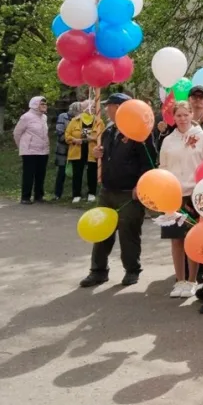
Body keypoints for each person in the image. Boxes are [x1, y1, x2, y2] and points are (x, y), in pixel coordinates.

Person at [80, 94, 158, 287]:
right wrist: (99, 153)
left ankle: (132, 270)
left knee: (128, 233)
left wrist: (140, 186)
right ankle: (98, 271)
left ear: (122, 108)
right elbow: (108, 155)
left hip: (128, 192)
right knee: (101, 232)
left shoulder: (139, 132)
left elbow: (148, 162)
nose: (107, 109)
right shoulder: (108, 131)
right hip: (108, 190)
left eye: (111, 106)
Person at [158, 101, 203, 298]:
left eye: (185, 115)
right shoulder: (168, 140)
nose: (182, 119)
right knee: (176, 239)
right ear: (173, 118)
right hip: (173, 195)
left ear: (192, 115)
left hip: (195, 194)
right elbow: (163, 166)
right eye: (178, 115)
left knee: (193, 239)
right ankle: (179, 280)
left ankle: (192, 280)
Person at [65, 100, 106, 204]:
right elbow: (67, 136)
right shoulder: (75, 120)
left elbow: (104, 136)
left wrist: (92, 138)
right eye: (90, 107)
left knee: (92, 172)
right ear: (84, 109)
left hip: (92, 151)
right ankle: (76, 195)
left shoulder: (98, 121)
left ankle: (91, 194)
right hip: (77, 150)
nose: (92, 109)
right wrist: (74, 140)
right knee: (77, 173)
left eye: (93, 107)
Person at [14, 96, 49, 205]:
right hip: (29, 151)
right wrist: (22, 146)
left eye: (45, 104)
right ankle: (25, 197)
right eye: (42, 104)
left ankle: (39, 196)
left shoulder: (44, 118)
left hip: (43, 150)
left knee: (40, 174)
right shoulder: (26, 117)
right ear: (35, 104)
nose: (44, 106)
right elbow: (17, 133)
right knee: (29, 174)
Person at [53, 101, 80, 200]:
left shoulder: (80, 119)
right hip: (63, 149)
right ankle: (57, 194)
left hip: (76, 148)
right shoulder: (62, 116)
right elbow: (60, 132)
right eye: (78, 111)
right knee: (61, 172)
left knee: (77, 171)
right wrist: (71, 140)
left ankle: (76, 194)